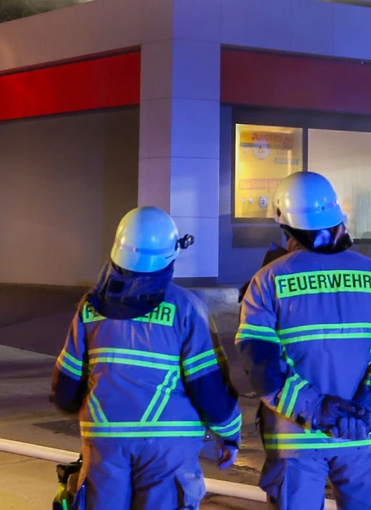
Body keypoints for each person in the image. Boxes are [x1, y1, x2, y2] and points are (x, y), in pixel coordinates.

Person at [237, 172, 371, 509]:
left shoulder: (266, 281)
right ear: (337, 218)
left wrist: (316, 409)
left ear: (285, 224)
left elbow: (261, 364)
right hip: (363, 436)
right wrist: (369, 411)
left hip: (296, 440)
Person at [51, 206, 242, 509]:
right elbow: (208, 387)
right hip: (168, 446)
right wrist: (229, 434)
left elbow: (65, 390)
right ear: (171, 255)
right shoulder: (187, 308)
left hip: (106, 440)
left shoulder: (90, 307)